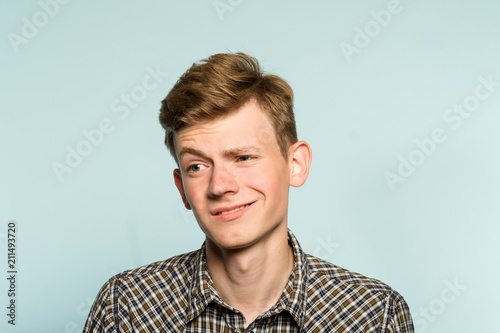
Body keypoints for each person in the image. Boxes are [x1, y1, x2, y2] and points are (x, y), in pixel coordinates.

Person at [84, 52, 414, 332]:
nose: (219, 186)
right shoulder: (125, 308)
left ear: (296, 164)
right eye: (197, 166)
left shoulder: (374, 316)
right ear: (182, 188)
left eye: (243, 157)